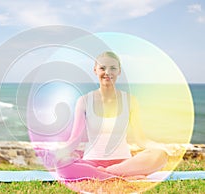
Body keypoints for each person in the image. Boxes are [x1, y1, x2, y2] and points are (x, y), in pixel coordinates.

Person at [50, 51, 178, 180]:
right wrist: (59, 153)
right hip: (91, 162)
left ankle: (102, 174)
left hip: (125, 163)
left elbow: (141, 140)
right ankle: (120, 177)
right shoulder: (84, 101)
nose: (107, 72)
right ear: (95, 70)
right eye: (102, 68)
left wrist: (161, 148)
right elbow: (74, 140)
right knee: (61, 163)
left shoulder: (130, 101)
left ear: (119, 71)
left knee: (160, 155)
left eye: (113, 68)